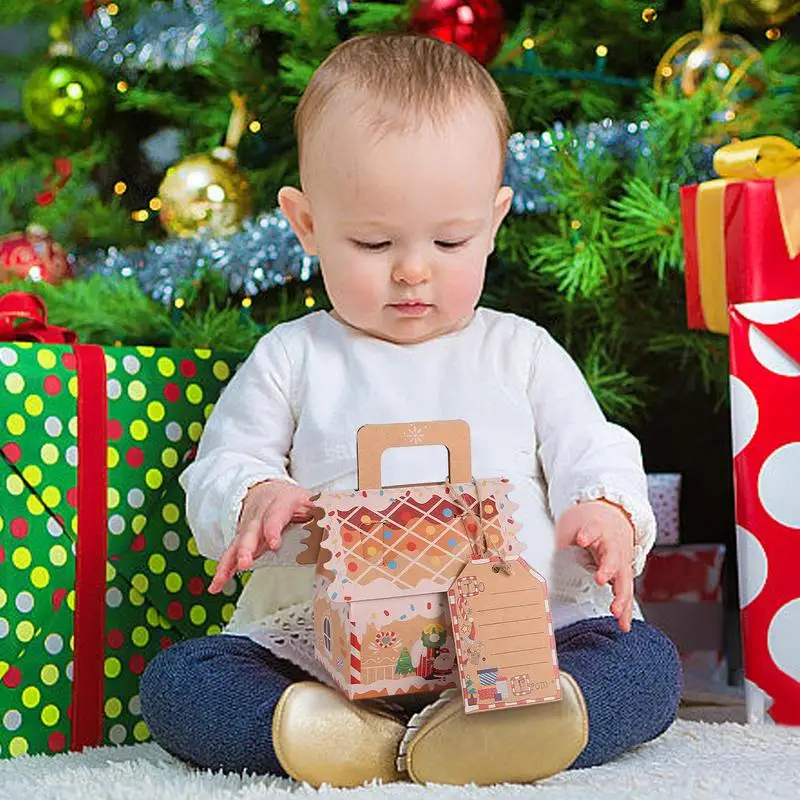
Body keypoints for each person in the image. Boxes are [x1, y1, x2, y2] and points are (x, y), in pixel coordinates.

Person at [140, 33, 681, 788]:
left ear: (493, 223)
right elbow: (222, 465)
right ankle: (337, 737)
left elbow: (592, 445)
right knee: (182, 683)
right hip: (328, 657)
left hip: (519, 642)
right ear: (306, 226)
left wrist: (606, 510)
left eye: (450, 239)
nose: (412, 269)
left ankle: (517, 723)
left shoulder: (519, 351)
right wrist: (252, 495)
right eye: (371, 241)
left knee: (644, 664)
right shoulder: (294, 356)